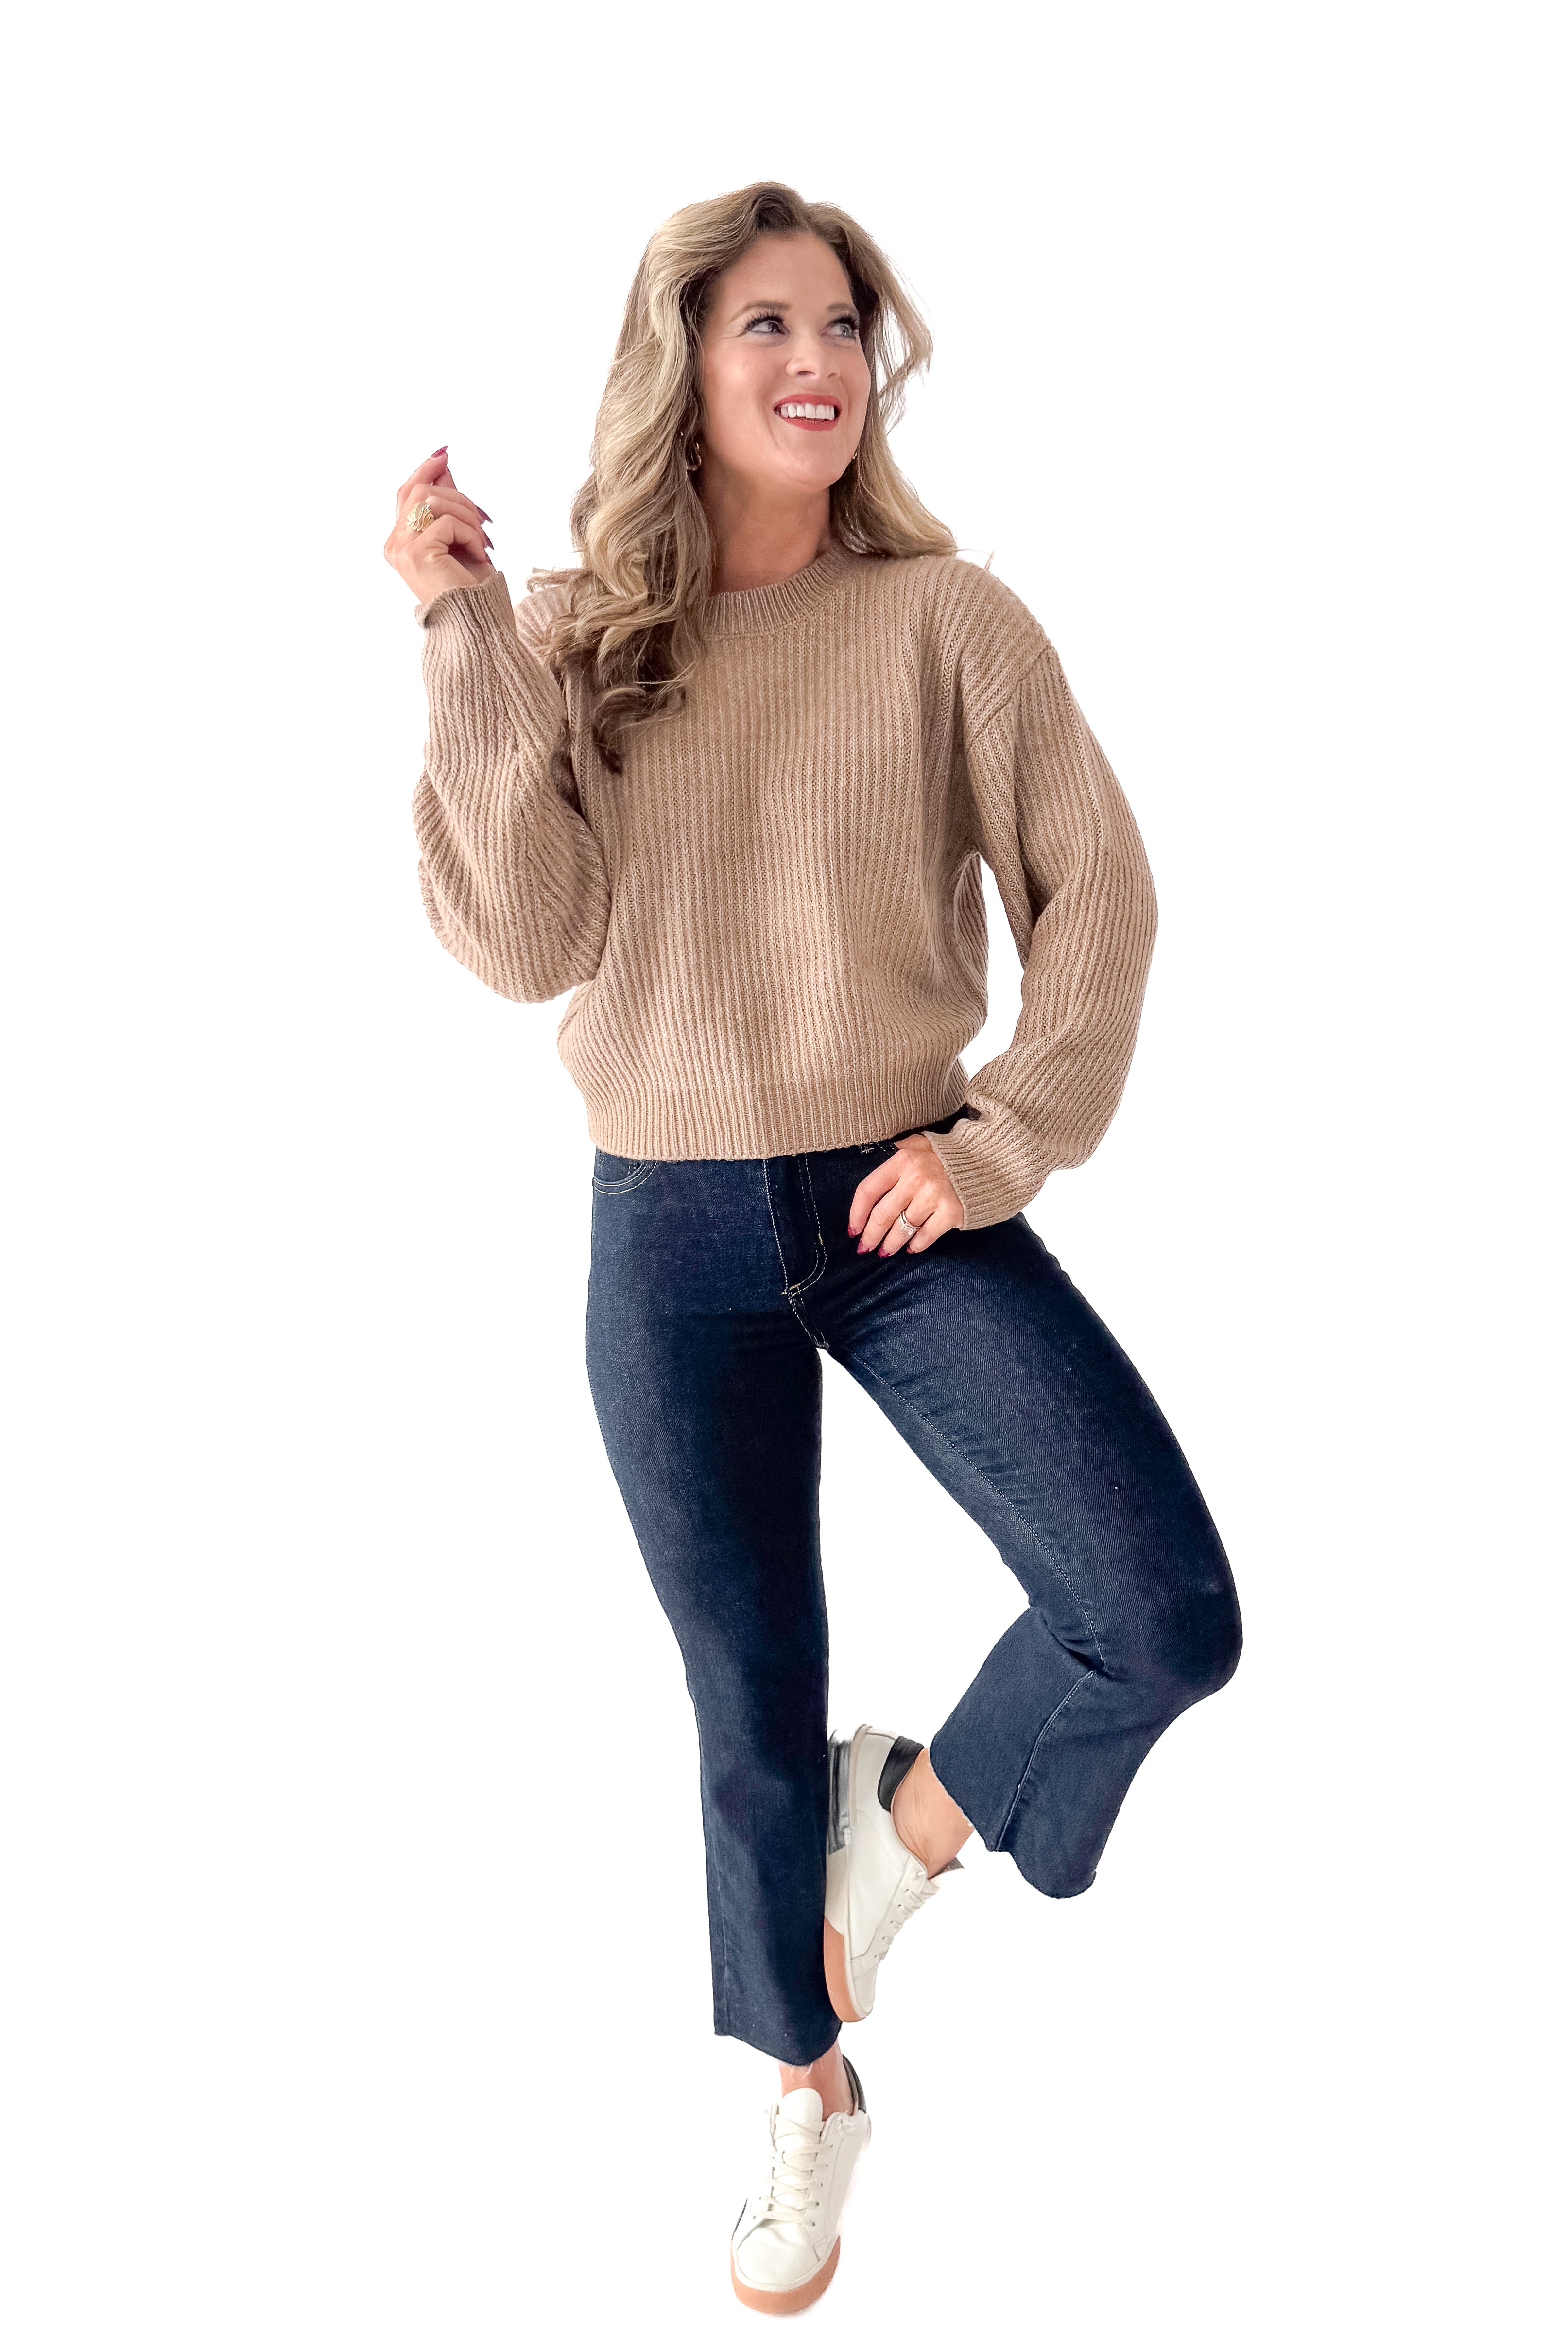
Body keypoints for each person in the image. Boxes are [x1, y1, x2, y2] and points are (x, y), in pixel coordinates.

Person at [383, 179, 1242, 2316]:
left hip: (892, 1198)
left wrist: (1002, 1138)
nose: (817, 360)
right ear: (682, 360)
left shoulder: (951, 622)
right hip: (664, 1222)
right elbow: (527, 943)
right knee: (747, 1711)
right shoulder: (585, 635)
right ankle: (805, 2096)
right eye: (767, 322)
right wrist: (464, 634)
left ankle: (918, 1825)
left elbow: (1101, 903)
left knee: (1157, 1609)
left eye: (845, 323)